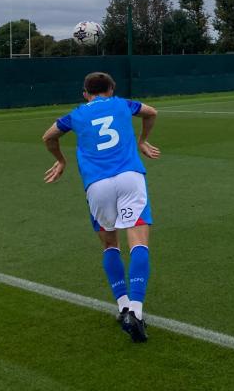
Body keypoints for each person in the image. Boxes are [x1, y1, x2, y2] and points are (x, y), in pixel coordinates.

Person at [40, 72, 160, 343]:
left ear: (85, 93)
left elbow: (48, 136)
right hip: (130, 177)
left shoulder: (75, 114)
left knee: (110, 245)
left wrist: (61, 160)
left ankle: (123, 306)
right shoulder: (122, 104)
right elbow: (151, 112)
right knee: (139, 242)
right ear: (111, 88)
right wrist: (141, 141)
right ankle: (137, 312)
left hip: (97, 185)